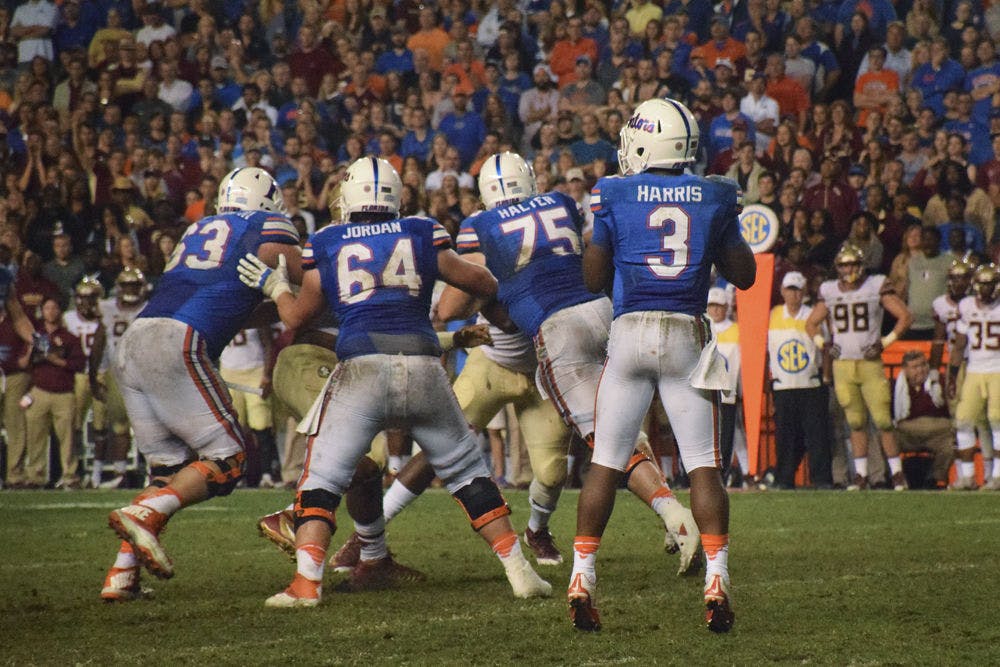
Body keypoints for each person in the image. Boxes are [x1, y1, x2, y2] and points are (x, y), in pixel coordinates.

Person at [238, 157, 551, 607]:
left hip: (362, 367)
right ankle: (520, 573)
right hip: (423, 364)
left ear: (349, 197)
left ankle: (307, 584)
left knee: (322, 478)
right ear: (395, 197)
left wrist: (274, 287)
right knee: (468, 474)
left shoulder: (328, 239)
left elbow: (295, 316)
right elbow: (481, 280)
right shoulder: (422, 230)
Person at [456, 151, 702, 577]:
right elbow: (592, 260)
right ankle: (667, 510)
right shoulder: (558, 202)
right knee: (621, 424)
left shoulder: (478, 227)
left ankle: (675, 515)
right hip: (603, 311)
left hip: (557, 327)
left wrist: (499, 294)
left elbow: (453, 302)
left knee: (606, 438)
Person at [571, 98, 756, 633]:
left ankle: (582, 575)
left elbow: (591, 279)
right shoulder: (715, 193)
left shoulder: (613, 191)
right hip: (686, 332)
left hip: (629, 333)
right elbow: (742, 275)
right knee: (702, 464)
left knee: (606, 461)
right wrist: (721, 235)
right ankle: (716, 579)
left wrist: (602, 231)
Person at [100, 167, 303, 602]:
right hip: (179, 340)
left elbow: (234, 306)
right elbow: (305, 282)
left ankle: (121, 574)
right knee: (230, 459)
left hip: (135, 340)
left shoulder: (199, 228)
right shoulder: (267, 225)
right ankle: (148, 512)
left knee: (169, 470)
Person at [806, 244, 913, 491]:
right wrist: (824, 344)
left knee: (884, 420)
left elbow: (905, 316)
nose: (848, 269)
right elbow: (811, 324)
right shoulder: (830, 290)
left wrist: (884, 342)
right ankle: (861, 476)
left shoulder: (875, 285)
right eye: (844, 265)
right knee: (854, 422)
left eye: (852, 264)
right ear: (837, 268)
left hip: (869, 363)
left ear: (861, 265)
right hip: (843, 365)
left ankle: (897, 474)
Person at [768, 271, 833, 489]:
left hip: (810, 383)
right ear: (782, 291)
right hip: (783, 384)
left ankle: (821, 479)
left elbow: (826, 347)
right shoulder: (773, 315)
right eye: (790, 289)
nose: (794, 294)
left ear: (804, 292)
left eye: (797, 290)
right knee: (785, 437)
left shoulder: (812, 315)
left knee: (817, 435)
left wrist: (825, 376)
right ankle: (784, 478)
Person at [23, 298, 86, 489]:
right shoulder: (35, 336)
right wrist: (30, 352)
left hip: (63, 392)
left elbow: (79, 364)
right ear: (42, 311)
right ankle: (35, 476)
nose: (50, 311)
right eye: (47, 308)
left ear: (60, 311)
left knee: (67, 438)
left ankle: (69, 475)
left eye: (54, 307)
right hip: (39, 389)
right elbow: (25, 364)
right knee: (35, 437)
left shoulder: (69, 338)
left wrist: (54, 359)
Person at [949, 264, 1000, 491]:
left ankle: (997, 476)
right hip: (974, 370)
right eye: (982, 283)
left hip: (998, 369)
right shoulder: (966, 305)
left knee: (997, 421)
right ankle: (968, 476)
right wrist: (951, 374)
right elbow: (960, 344)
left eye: (990, 284)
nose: (985, 289)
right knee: (963, 420)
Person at [892, 350, 954, 489]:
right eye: (915, 367)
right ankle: (892, 478)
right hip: (906, 434)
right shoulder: (896, 386)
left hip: (937, 434)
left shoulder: (940, 381)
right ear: (905, 370)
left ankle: (936, 480)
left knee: (952, 442)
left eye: (923, 365)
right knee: (884, 438)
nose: (920, 370)